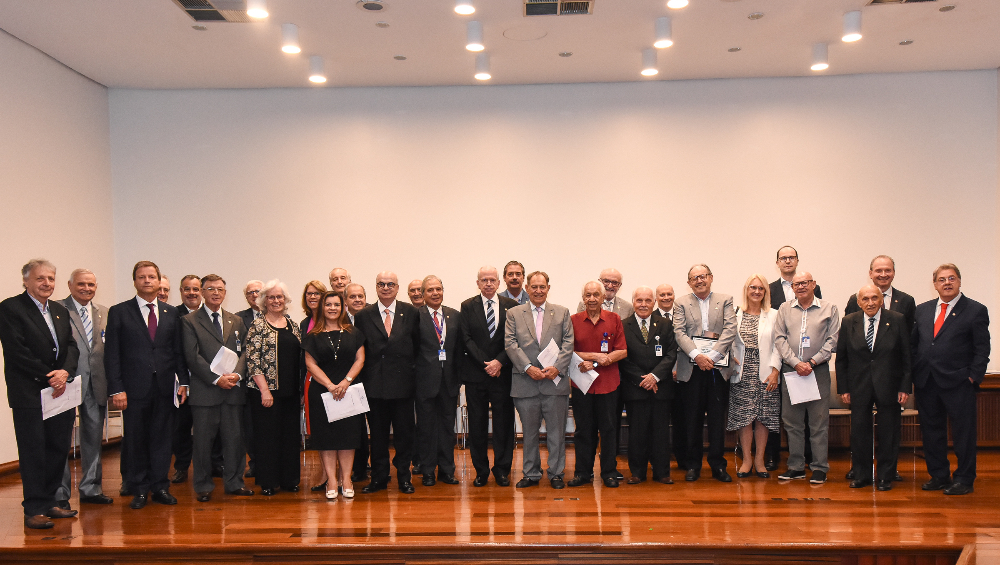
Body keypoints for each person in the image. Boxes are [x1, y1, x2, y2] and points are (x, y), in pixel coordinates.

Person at [0, 259, 80, 529]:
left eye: (50, 279)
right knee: (33, 451)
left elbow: (71, 346)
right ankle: (33, 508)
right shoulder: (11, 308)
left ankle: (50, 502)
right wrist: (51, 376)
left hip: (60, 392)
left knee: (57, 448)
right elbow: (16, 351)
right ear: (26, 281)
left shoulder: (59, 309)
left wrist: (65, 373)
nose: (46, 283)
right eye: (40, 279)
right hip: (30, 393)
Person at [106, 261, 188, 510]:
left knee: (162, 439)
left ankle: (160, 486)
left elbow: (178, 352)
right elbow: (112, 354)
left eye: (152, 276)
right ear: (135, 281)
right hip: (132, 390)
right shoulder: (119, 311)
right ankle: (139, 488)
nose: (147, 281)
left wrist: (183, 381)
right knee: (136, 439)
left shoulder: (171, 312)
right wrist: (116, 388)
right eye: (141, 277)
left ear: (159, 281)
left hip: (165, 387)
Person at [911, 264, 990, 496]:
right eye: (942, 279)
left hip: (959, 382)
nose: (947, 283)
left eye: (952, 278)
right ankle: (938, 475)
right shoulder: (922, 310)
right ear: (934, 284)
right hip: (927, 380)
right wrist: (916, 371)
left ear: (959, 282)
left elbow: (982, 348)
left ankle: (964, 478)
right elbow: (915, 344)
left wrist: (973, 376)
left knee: (963, 433)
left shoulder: (975, 310)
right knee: (931, 431)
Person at [180, 274, 253, 502]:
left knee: (234, 440)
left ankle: (234, 483)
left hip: (233, 390)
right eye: (210, 289)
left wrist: (237, 374)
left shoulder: (236, 320)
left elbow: (244, 353)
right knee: (203, 442)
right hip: (205, 392)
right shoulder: (190, 321)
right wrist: (215, 379)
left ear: (225, 292)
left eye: (220, 289)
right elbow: (192, 357)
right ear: (202, 292)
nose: (215, 293)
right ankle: (203, 486)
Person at [843, 255, 915, 482]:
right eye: (866, 299)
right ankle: (862, 474)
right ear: (859, 301)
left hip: (890, 385)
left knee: (889, 432)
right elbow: (842, 357)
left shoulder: (897, 319)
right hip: (859, 385)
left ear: (882, 300)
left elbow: (906, 355)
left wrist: (905, 385)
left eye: (875, 298)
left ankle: (885, 475)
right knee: (860, 433)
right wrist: (844, 387)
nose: (871, 302)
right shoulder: (849, 321)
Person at [505, 271, 574, 490]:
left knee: (556, 433)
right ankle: (531, 473)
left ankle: (556, 473)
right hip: (525, 382)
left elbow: (568, 343)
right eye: (534, 287)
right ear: (527, 288)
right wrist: (528, 368)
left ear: (548, 288)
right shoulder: (514, 313)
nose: (538, 291)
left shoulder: (562, 313)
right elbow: (510, 344)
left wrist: (558, 368)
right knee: (529, 433)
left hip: (555, 382)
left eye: (542, 286)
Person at [353, 271, 420, 495]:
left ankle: (404, 477)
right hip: (375, 385)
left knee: (404, 435)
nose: (386, 287)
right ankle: (379, 478)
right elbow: (360, 350)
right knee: (378, 437)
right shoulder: (364, 315)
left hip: (403, 385)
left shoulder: (410, 312)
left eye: (390, 284)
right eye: (381, 284)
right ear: (376, 287)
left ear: (397, 287)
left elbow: (417, 346)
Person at [773, 271, 840, 484]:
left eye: (805, 283)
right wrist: (796, 363)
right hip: (791, 371)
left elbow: (833, 340)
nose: (800, 286)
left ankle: (819, 467)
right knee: (792, 423)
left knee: (818, 423)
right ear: (792, 287)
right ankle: (795, 467)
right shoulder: (784, 309)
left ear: (813, 284)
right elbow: (779, 338)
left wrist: (811, 363)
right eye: (796, 284)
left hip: (817, 371)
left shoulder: (829, 309)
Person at [673, 264, 737, 483]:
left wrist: (714, 357)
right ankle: (693, 465)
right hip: (692, 369)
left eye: (703, 276)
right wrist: (697, 356)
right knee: (692, 420)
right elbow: (679, 333)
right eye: (694, 278)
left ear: (711, 277)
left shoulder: (725, 299)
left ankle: (718, 465)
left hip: (718, 369)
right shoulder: (681, 302)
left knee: (718, 419)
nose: (699, 281)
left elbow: (730, 330)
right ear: (689, 282)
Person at [302, 292, 366, 500]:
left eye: (336, 304)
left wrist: (346, 381)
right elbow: (310, 364)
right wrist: (330, 385)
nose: (332, 308)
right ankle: (331, 479)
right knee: (326, 438)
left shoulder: (354, 332)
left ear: (343, 307)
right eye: (328, 304)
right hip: (323, 391)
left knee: (348, 437)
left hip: (349, 390)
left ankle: (346, 479)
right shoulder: (313, 335)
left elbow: (360, 359)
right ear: (322, 308)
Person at [56, 269, 112, 506]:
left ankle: (91, 488)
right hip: (66, 383)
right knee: (61, 440)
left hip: (97, 382)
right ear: (69, 285)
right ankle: (59, 493)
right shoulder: (57, 309)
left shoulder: (105, 312)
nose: (86, 288)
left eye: (91, 284)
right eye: (81, 284)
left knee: (92, 437)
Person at [460, 266, 518, 487]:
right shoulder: (467, 306)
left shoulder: (512, 307)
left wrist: (499, 362)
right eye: (484, 280)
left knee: (504, 424)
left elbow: (513, 339)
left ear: (499, 283)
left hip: (502, 374)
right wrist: (486, 363)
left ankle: (502, 470)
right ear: (477, 283)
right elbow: (466, 339)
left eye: (492, 280)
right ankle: (481, 471)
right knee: (477, 425)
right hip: (476, 375)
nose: (488, 284)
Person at [244, 280, 302, 496]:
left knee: (289, 437)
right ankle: (268, 482)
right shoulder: (258, 326)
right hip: (266, 393)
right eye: (271, 297)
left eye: (279, 297)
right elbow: (253, 360)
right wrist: (265, 391)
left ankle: (289, 480)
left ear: (285, 300)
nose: (276, 301)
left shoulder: (292, 324)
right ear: (264, 300)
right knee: (267, 438)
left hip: (290, 392)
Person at [766, 246, 822, 472]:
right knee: (776, 410)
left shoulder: (812, 288)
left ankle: (806, 456)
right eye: (783, 258)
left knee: (806, 411)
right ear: (777, 262)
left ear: (797, 260)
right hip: (781, 359)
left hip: (807, 363)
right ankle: (773, 456)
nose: (787, 261)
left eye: (791, 257)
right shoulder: (769, 290)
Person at [723, 275, 782, 479]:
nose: (756, 291)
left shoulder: (774, 315)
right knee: (744, 418)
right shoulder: (734, 313)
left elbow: (779, 345)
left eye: (761, 288)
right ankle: (747, 459)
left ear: (766, 292)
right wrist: (730, 357)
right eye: (753, 287)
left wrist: (775, 371)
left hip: (766, 373)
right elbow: (727, 341)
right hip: (742, 372)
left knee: (763, 417)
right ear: (746, 290)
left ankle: (760, 460)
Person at [569, 281, 627, 488]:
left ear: (603, 298)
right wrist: (595, 357)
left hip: (608, 384)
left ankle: (609, 472)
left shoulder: (615, 319)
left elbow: (622, 350)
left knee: (609, 429)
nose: (592, 299)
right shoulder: (573, 320)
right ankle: (582, 473)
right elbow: (567, 350)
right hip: (581, 384)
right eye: (588, 295)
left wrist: (602, 360)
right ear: (583, 298)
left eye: (596, 295)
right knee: (583, 430)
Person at [620, 286, 677, 484]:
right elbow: (622, 357)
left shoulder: (665, 324)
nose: (643, 304)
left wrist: (655, 376)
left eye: (647, 300)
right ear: (633, 302)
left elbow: (671, 353)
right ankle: (637, 472)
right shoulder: (623, 325)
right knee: (637, 432)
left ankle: (662, 472)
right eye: (639, 300)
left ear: (654, 302)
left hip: (661, 387)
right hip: (635, 388)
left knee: (661, 432)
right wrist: (642, 379)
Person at [414, 276, 464, 486]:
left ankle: (447, 470)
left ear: (443, 291)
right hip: (424, 381)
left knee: (446, 427)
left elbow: (460, 348)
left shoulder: (454, 316)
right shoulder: (415, 317)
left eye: (438, 289)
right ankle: (427, 471)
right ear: (423, 294)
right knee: (426, 428)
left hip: (449, 381)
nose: (435, 293)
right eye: (430, 290)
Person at [172, 273, 206, 485]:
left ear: (201, 292)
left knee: (210, 427)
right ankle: (182, 467)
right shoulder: (171, 314)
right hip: (181, 381)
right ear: (181, 291)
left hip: (207, 381)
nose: (191, 293)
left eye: (195, 289)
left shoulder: (210, 315)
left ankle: (214, 464)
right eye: (187, 289)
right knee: (181, 427)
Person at [299, 280, 330, 492]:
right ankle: (325, 473)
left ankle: (339, 475)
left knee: (335, 430)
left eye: (317, 294)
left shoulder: (334, 320)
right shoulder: (303, 323)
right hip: (312, 382)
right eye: (309, 294)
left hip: (334, 382)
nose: (312, 297)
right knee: (318, 430)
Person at [656, 283, 687, 471]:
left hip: (683, 376)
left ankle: (683, 459)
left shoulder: (683, 315)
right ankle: (660, 459)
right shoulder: (650, 318)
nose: (666, 297)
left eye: (669, 294)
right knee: (659, 422)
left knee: (682, 420)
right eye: (662, 295)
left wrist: (679, 369)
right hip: (661, 379)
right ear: (656, 298)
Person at [344, 282, 371, 483]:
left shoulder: (372, 316)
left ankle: (373, 466)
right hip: (348, 381)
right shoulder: (338, 320)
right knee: (354, 427)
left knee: (375, 427)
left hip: (371, 379)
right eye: (352, 297)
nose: (357, 300)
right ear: (345, 301)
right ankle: (357, 469)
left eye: (360, 296)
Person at [844, 255, 916, 330]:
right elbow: (848, 330)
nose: (883, 275)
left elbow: (910, 333)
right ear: (870, 274)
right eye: (878, 271)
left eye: (888, 270)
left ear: (894, 273)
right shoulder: (856, 299)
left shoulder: (906, 300)